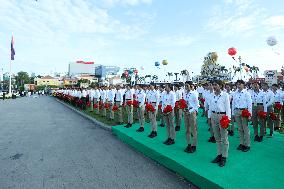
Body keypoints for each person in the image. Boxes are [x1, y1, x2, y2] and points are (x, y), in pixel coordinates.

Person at [209, 80, 231, 167]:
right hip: (214, 116)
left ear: (221, 86)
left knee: (224, 138)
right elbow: (210, 107)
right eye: (213, 85)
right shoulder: (212, 95)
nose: (214, 86)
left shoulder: (225, 95)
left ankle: (224, 157)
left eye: (215, 85)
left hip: (222, 117)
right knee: (217, 137)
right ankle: (219, 154)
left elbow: (228, 108)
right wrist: (210, 117)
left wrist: (228, 119)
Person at [232, 80, 252, 152]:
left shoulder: (247, 93)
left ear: (243, 85)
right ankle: (241, 143)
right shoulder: (235, 93)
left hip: (244, 111)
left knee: (245, 128)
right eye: (237, 84)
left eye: (240, 84)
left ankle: (247, 144)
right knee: (240, 128)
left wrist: (250, 114)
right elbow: (233, 103)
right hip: (237, 111)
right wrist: (233, 114)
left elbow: (249, 105)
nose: (238, 85)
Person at [183, 81, 199, 153]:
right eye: (185, 86)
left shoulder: (194, 94)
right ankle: (188, 144)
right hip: (186, 112)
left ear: (191, 86)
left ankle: (194, 145)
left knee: (193, 129)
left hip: (192, 112)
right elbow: (184, 103)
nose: (186, 87)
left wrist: (190, 111)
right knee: (187, 129)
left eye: (187, 86)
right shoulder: (184, 94)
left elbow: (197, 105)